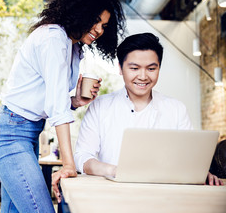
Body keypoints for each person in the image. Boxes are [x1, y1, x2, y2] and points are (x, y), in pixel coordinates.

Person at [0, 0, 126, 212]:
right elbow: (56, 106)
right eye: (96, 20)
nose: (99, 30)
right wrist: (68, 163)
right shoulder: (53, 38)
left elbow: (50, 100)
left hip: (25, 133)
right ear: (80, 12)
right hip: (10, 135)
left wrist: (76, 102)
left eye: (104, 26)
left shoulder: (74, 47)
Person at [74, 32, 224, 186]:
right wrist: (114, 171)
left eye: (151, 69)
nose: (143, 76)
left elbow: (190, 156)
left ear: (159, 68)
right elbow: (82, 157)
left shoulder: (176, 109)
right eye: (134, 68)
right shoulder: (100, 106)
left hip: (165, 195)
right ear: (120, 68)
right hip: (114, 193)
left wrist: (200, 172)